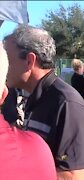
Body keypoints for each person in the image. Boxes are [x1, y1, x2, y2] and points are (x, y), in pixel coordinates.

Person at [3, 25, 84, 179]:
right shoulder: (37, 97)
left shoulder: (67, 104)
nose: (3, 67)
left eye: (7, 60)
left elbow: (75, 176)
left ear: (29, 61)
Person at [0, 42, 56, 179]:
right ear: (3, 95)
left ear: (30, 61)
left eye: (11, 61)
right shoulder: (36, 152)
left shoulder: (66, 101)